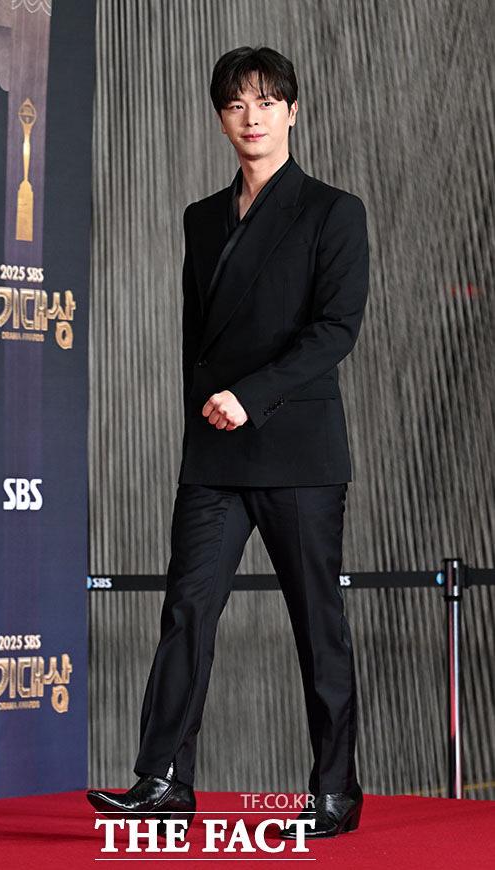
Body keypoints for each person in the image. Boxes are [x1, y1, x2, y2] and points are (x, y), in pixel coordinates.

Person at [88, 45, 369, 840]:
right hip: (215, 450)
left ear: (293, 112)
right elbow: (197, 340)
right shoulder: (201, 218)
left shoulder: (332, 210)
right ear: (221, 118)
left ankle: (336, 791)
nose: (252, 117)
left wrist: (250, 396)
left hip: (297, 450)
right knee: (188, 608)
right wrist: (206, 416)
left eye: (267, 101)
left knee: (317, 622)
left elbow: (336, 329)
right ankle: (164, 779)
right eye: (237, 103)